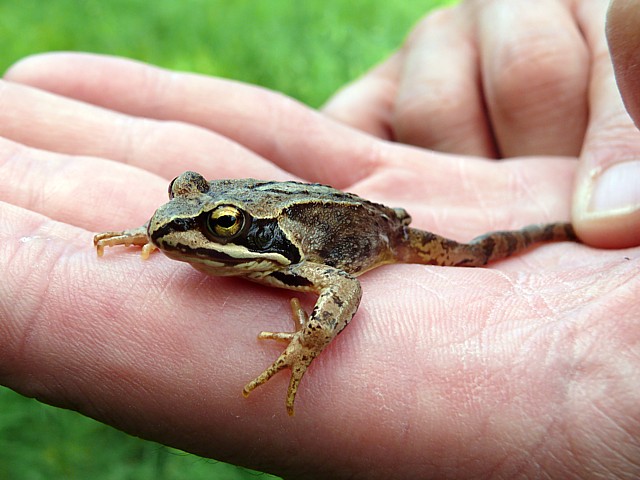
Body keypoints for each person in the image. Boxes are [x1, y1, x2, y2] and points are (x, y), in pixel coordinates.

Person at [0, 0, 637, 477]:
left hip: (381, 229)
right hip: (303, 207)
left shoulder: (306, 266)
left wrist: (305, 346)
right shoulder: (187, 228)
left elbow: (342, 288)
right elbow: (190, 210)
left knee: (472, 253)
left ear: (244, 231)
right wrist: (156, 231)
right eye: (181, 203)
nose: (177, 228)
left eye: (221, 226)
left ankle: (554, 229)